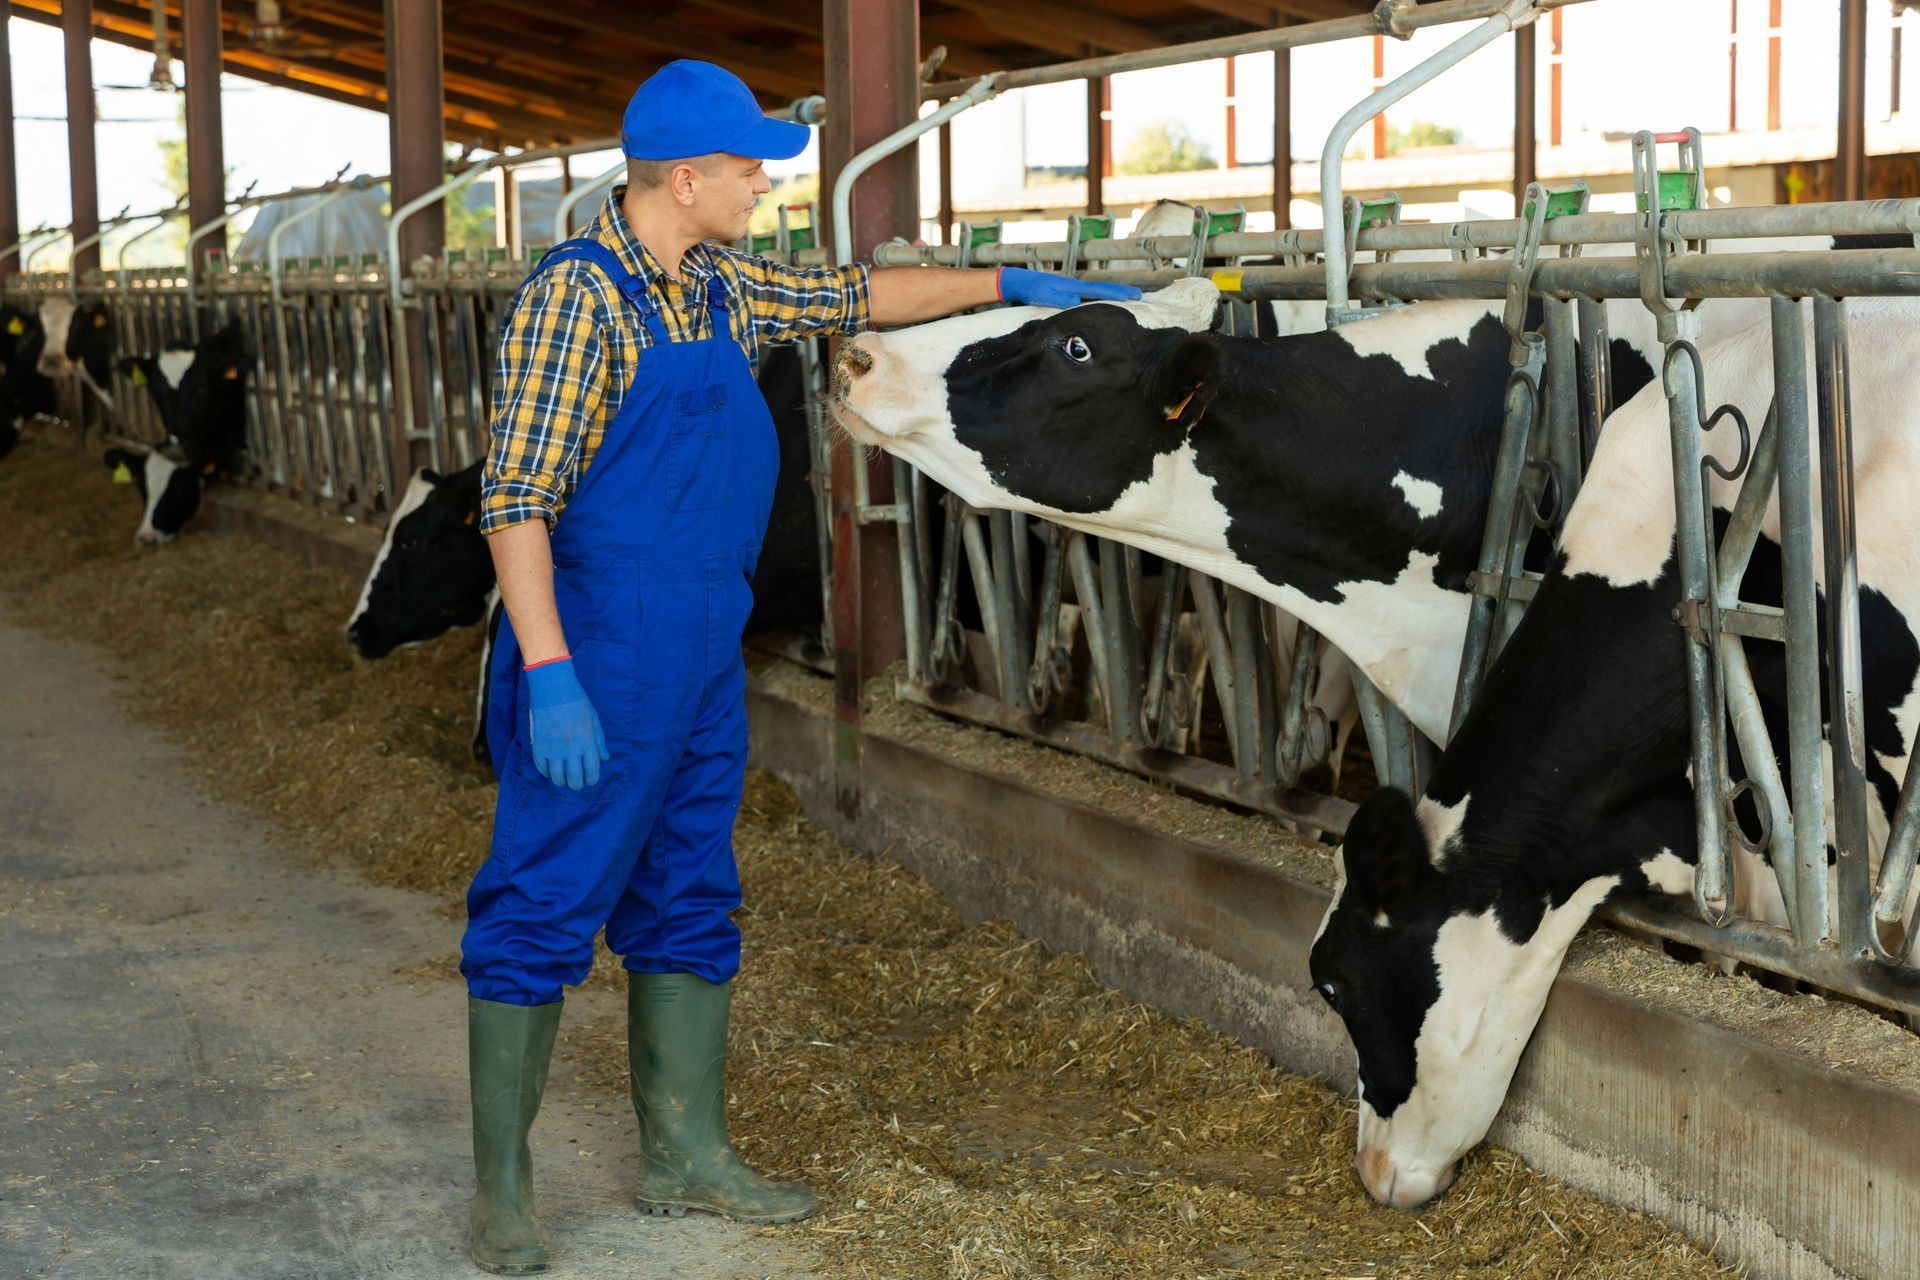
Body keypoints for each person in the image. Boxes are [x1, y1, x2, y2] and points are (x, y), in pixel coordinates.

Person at [459, 59, 1140, 1274]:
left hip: (705, 643)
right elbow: (515, 501)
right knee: (545, 896)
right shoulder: (579, 298)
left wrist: (1004, 281)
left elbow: (849, 292)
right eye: (749, 172)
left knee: (688, 891)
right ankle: (503, 1193)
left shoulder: (716, 284)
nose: (766, 190)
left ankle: (686, 1155)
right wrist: (548, 667)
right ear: (685, 178)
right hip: (602, 643)